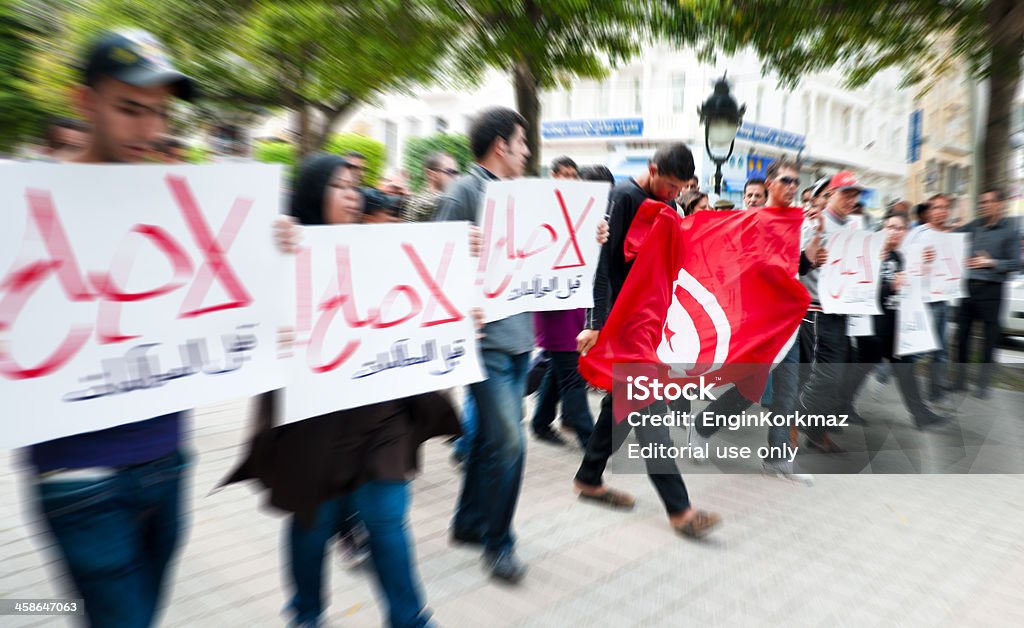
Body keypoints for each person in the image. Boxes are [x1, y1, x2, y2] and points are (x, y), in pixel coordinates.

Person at [224, 153, 460, 628]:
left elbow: (429, 294)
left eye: (357, 185)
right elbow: (241, 314)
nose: (354, 195)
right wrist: (273, 251)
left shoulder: (381, 247)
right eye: (341, 186)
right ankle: (306, 614)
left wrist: (468, 254)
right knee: (313, 523)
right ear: (313, 196)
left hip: (381, 413)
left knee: (388, 518)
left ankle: (410, 618)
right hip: (314, 418)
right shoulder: (283, 250)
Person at [24, 30, 198, 627]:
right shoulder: (24, 205)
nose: (150, 130)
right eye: (130, 108)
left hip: (170, 460)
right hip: (81, 476)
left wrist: (274, 250)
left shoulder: (187, 206)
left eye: (159, 113)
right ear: (83, 102)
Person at [574, 143, 721, 538]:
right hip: (625, 330)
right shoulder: (623, 197)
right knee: (649, 415)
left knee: (618, 406)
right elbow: (601, 266)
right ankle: (681, 511)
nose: (676, 194)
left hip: (648, 327)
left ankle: (589, 478)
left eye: (682, 188)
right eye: (671, 185)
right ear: (652, 169)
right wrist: (595, 323)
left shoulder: (670, 207)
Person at [433, 107, 535, 583]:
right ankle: (500, 543)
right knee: (511, 444)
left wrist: (590, 241)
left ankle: (471, 522)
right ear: (501, 145)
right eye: (522, 141)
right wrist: (457, 250)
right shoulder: (462, 193)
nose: (527, 151)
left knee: (494, 444)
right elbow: (430, 267)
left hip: (518, 340)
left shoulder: (518, 197)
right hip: (485, 345)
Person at [689, 158, 814, 484]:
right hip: (759, 323)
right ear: (769, 183)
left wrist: (813, 252)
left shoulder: (796, 222)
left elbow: (796, 267)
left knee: (786, 391)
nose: (792, 187)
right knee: (749, 389)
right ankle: (702, 426)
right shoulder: (753, 221)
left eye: (795, 182)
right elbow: (739, 268)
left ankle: (777, 458)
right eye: (786, 180)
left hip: (788, 324)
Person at [838, 213, 950, 429]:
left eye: (899, 228)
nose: (893, 231)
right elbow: (861, 289)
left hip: (896, 327)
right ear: (882, 230)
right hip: (872, 326)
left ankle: (921, 416)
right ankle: (842, 407)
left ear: (905, 232)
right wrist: (891, 287)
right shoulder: (872, 256)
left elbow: (916, 286)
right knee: (860, 369)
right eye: (889, 226)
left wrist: (924, 266)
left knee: (906, 370)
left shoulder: (901, 258)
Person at [529, 160, 601, 447]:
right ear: (554, 176)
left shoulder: (580, 210)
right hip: (553, 303)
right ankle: (590, 438)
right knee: (571, 371)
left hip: (573, 301)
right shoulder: (543, 209)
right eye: (566, 175)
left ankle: (540, 422)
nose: (571, 180)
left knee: (560, 367)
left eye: (575, 175)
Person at [797, 171, 866, 453]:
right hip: (817, 309)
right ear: (831, 194)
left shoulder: (854, 226)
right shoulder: (815, 222)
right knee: (825, 376)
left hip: (842, 310)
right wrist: (814, 260)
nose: (851, 199)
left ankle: (815, 433)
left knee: (839, 374)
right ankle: (796, 420)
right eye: (845, 193)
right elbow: (798, 264)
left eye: (854, 194)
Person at [952, 187, 1021, 398]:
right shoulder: (975, 225)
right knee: (961, 336)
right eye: (982, 202)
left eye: (988, 202)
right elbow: (954, 236)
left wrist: (991, 262)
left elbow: (1017, 263)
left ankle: (983, 385)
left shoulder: (1010, 230)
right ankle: (959, 381)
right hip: (969, 289)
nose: (984, 206)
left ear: (1000, 204)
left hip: (992, 290)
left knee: (988, 339)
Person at [904, 194, 953, 400]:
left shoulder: (953, 235)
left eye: (944, 207)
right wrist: (920, 257)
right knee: (917, 350)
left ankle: (936, 391)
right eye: (936, 207)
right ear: (929, 211)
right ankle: (903, 384)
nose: (941, 211)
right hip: (924, 301)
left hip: (945, 300)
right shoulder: (918, 234)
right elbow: (904, 259)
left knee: (940, 351)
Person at [403, 151, 459, 222]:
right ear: (431, 174)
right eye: (450, 172)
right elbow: (427, 204)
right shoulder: (422, 202)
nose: (455, 177)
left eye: (456, 173)